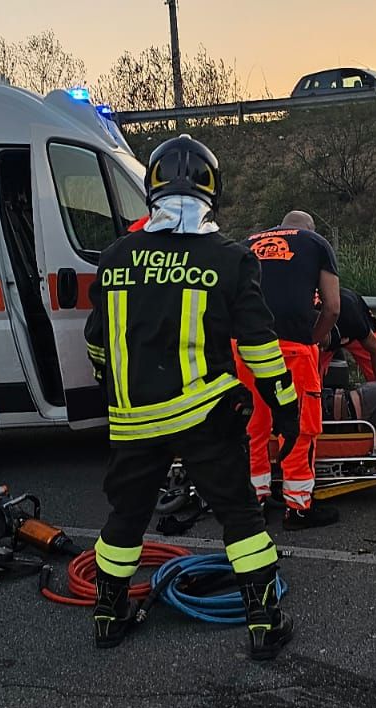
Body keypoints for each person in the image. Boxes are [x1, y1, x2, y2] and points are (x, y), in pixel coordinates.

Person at [83, 135, 300, 659]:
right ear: (212, 190)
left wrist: (116, 392)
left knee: (125, 517)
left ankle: (108, 617)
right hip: (205, 412)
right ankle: (264, 623)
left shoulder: (115, 257)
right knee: (239, 515)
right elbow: (260, 346)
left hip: (133, 418)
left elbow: (96, 341)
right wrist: (284, 405)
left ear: (151, 188)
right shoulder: (230, 258)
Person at [233, 211, 341, 529]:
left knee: (254, 424)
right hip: (292, 347)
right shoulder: (316, 242)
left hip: (245, 345)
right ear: (309, 229)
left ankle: (256, 499)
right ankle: (298, 507)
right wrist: (313, 340)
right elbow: (333, 307)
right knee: (298, 425)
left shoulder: (246, 243)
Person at [318, 287, 376, 383]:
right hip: (323, 328)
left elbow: (375, 349)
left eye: (321, 346)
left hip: (354, 329)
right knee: (312, 376)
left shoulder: (353, 319)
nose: (321, 349)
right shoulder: (307, 315)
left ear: (343, 339)